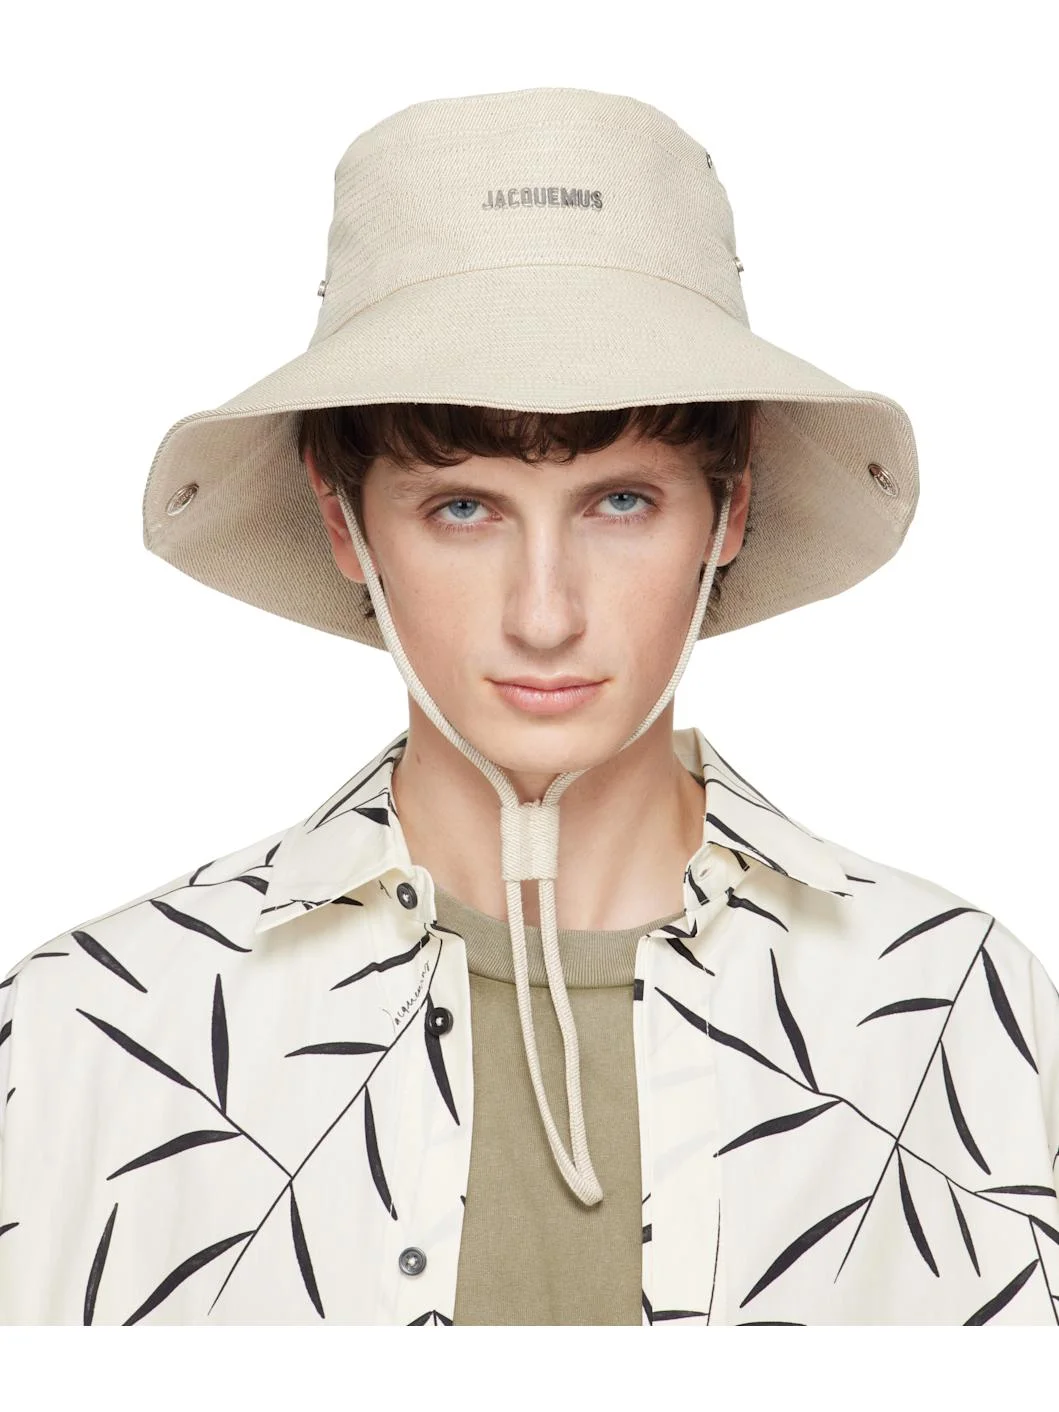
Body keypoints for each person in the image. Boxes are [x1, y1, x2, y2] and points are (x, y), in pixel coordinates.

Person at [2, 86, 1058, 1328]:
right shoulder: (90, 1038)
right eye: (463, 507)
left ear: (729, 512)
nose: (544, 613)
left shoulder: (957, 1014)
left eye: (621, 502)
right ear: (344, 521)